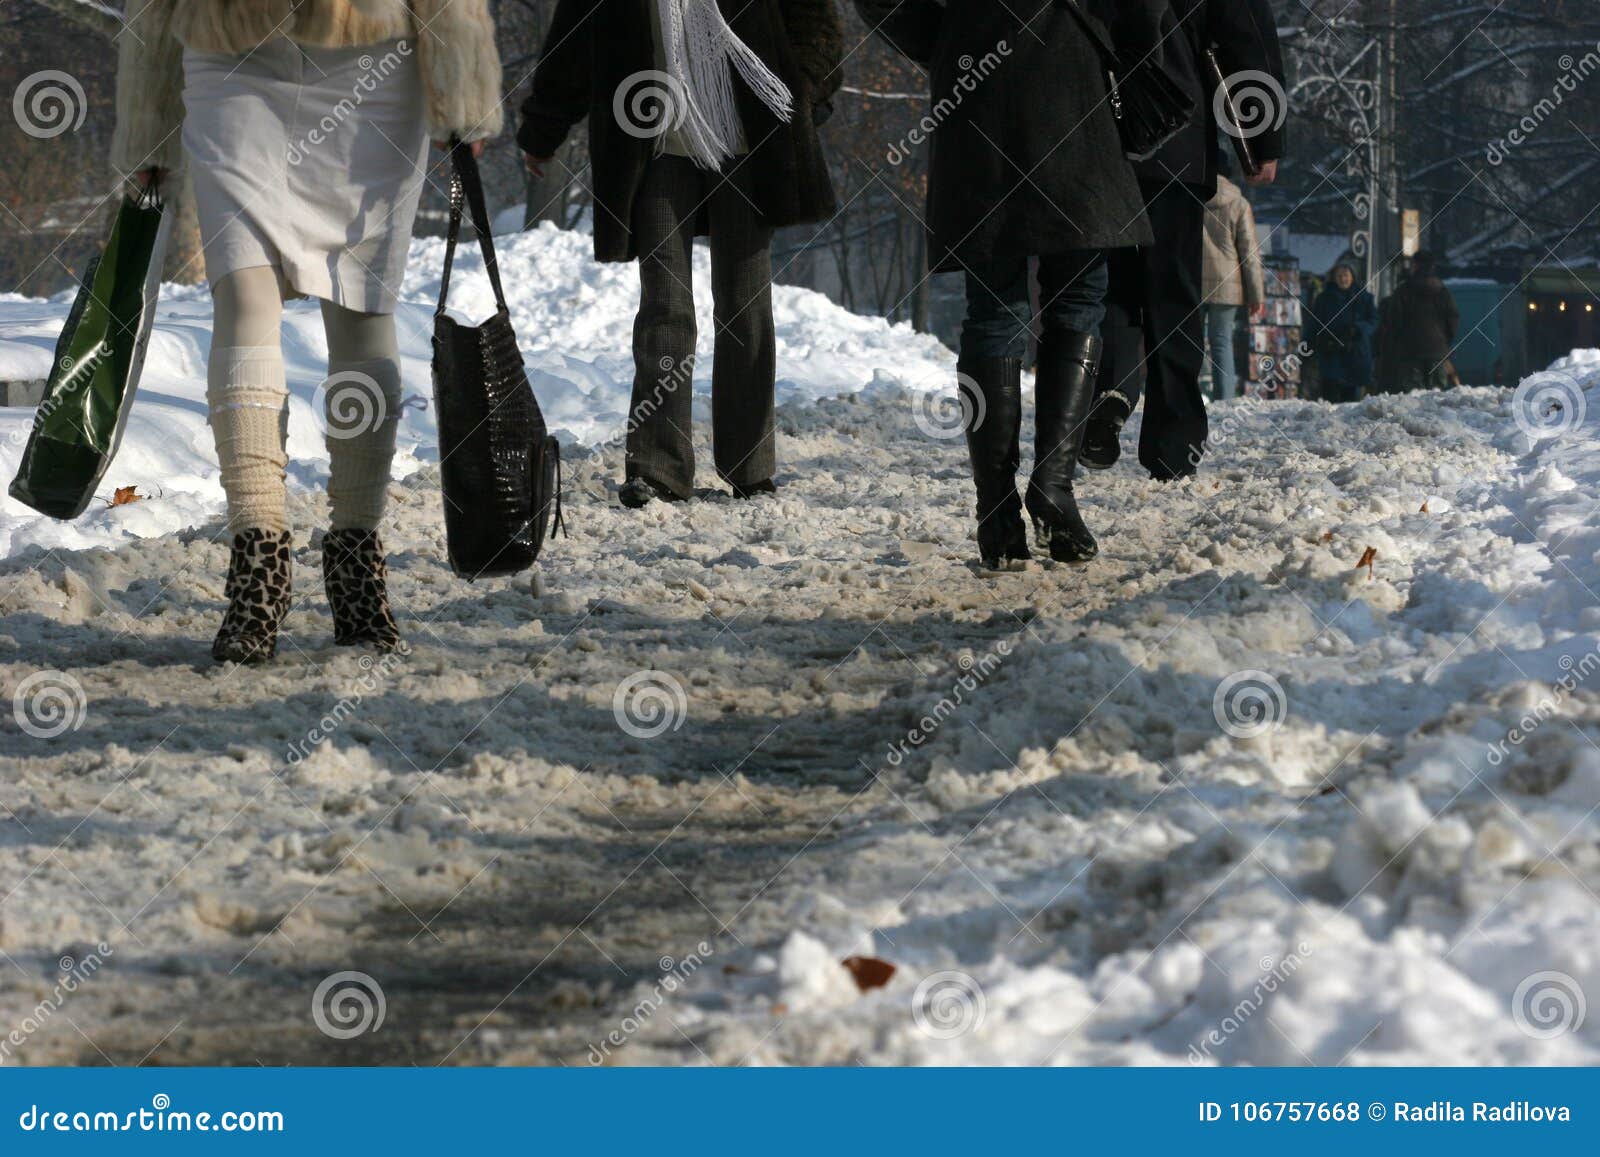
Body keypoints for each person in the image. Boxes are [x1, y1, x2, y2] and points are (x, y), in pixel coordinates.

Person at [113, 0, 504, 664]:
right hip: (230, 49)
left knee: (361, 308)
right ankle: (257, 563)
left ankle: (356, 559)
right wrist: (147, 120)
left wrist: (461, 81)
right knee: (242, 292)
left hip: (373, 61)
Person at [856, 0, 1165, 567]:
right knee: (1076, 297)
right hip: (1073, 79)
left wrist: (952, 38)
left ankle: (995, 511)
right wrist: (1124, 39)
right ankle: (1053, 489)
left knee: (994, 309)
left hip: (978, 89)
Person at [519, 0, 843, 509]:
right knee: (665, 306)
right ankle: (657, 469)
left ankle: (751, 468)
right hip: (656, 146)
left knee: (744, 305)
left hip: (747, 143)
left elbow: (814, 22)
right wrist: (543, 128)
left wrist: (804, 89)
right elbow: (574, 37)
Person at [1080, 0, 1286, 479]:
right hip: (1173, 130)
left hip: (1091, 130)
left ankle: (1107, 397)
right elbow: (1245, 36)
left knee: (1108, 281)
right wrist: (1261, 139)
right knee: (1173, 290)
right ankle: (1173, 445)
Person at [1200, 172, 1266, 401]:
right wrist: (1257, 295)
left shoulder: (1189, 196)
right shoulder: (1239, 203)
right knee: (1221, 341)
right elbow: (1250, 253)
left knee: (1189, 342)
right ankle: (1224, 398)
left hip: (1192, 282)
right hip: (1228, 285)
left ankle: (1185, 396)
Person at [1376, 252, 1460, 393]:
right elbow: (1453, 318)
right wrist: (1445, 340)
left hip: (1410, 353)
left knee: (1414, 399)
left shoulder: (1403, 290)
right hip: (1437, 352)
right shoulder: (1442, 291)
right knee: (1437, 397)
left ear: (1415, 266)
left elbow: (1394, 321)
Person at [1307, 263, 1378, 402]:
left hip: (1355, 355)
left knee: (1352, 404)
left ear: (1352, 277)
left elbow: (1374, 321)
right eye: (1339, 276)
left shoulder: (1364, 298)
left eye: (1346, 275)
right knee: (1330, 401)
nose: (1342, 279)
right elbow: (1314, 324)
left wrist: (1357, 328)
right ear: (1333, 278)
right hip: (1331, 354)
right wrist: (1311, 344)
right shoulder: (1324, 298)